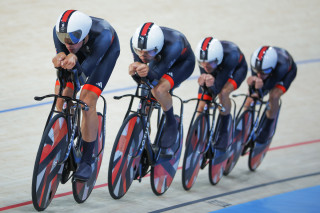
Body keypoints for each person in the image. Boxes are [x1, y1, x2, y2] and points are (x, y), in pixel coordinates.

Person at [52, 10, 120, 181]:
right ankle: (72, 128)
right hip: (81, 51)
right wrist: (61, 56)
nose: (67, 43)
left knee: (87, 100)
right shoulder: (61, 34)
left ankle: (87, 160)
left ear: (85, 34)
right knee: (62, 95)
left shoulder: (103, 35)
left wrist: (74, 61)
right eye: (63, 38)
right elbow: (63, 53)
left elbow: (84, 73)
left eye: (73, 38)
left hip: (103, 54)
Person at [128, 22, 195, 154]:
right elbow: (143, 79)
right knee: (145, 93)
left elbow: (155, 77)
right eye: (139, 51)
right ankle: (144, 126)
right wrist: (135, 72)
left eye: (148, 52)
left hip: (181, 64)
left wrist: (145, 72)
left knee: (159, 89)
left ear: (158, 47)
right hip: (158, 58)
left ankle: (171, 123)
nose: (142, 55)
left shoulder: (175, 43)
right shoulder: (136, 42)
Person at [195, 37, 248, 151]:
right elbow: (206, 83)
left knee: (223, 93)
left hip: (236, 69)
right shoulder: (204, 59)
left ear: (217, 59)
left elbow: (216, 87)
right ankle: (201, 135)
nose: (205, 66)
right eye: (202, 63)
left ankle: (224, 130)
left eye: (209, 63)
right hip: (218, 67)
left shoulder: (231, 56)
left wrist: (210, 87)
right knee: (202, 102)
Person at [246, 46, 297, 143]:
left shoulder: (282, 66)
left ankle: (268, 126)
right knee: (251, 95)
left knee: (274, 96)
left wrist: (259, 92)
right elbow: (255, 83)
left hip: (286, 74)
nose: (260, 75)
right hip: (269, 68)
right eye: (258, 72)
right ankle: (243, 123)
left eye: (264, 72)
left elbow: (266, 87)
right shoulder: (255, 60)